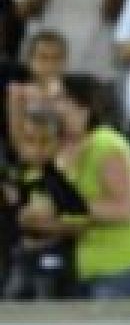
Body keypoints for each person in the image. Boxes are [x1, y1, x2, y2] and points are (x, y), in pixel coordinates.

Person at [48, 75, 130, 299]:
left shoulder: (107, 144)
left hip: (126, 269)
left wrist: (68, 208)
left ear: (83, 106)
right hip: (88, 269)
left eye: (59, 99)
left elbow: (128, 208)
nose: (51, 106)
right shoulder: (59, 151)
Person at [2, 108, 89, 299]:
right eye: (30, 141)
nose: (37, 149)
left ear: (58, 143)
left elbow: (82, 221)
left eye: (45, 141)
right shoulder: (15, 174)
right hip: (19, 256)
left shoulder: (62, 179)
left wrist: (48, 225)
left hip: (54, 256)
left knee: (48, 298)